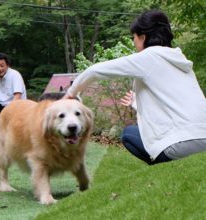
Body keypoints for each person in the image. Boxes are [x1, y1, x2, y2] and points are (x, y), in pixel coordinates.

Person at [63, 10, 206, 165]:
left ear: (143, 37)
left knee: (129, 134)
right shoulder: (180, 62)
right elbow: (173, 104)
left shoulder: (149, 57)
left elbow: (95, 71)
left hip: (180, 144)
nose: (133, 42)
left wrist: (70, 94)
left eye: (134, 38)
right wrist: (136, 103)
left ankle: (161, 164)